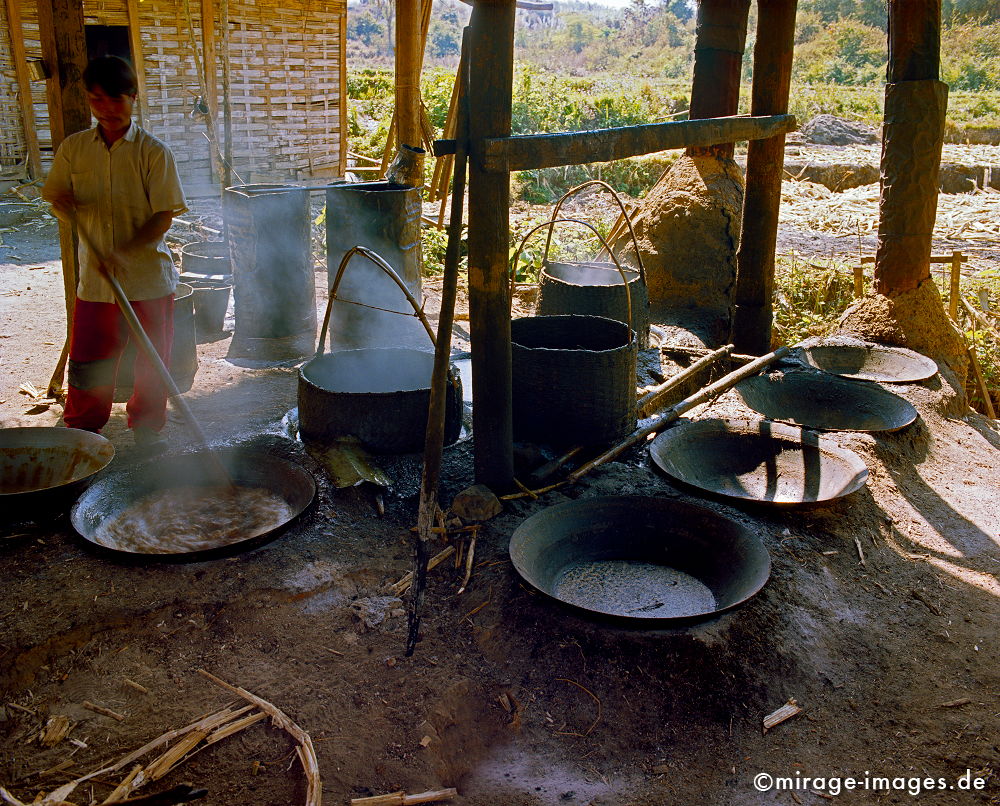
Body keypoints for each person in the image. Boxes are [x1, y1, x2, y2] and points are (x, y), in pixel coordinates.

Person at [43, 55, 188, 449]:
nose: (106, 110)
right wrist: (61, 200)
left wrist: (122, 254)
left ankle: (146, 426)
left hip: (147, 278)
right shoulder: (74, 150)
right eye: (96, 100)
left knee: (153, 358)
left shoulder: (153, 153)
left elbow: (163, 217)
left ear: (133, 98)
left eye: (116, 100)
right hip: (95, 281)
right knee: (90, 358)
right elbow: (56, 195)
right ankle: (83, 428)